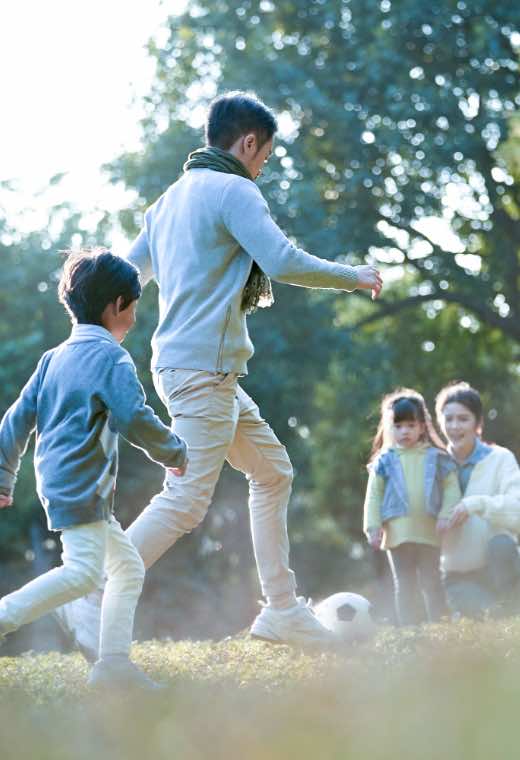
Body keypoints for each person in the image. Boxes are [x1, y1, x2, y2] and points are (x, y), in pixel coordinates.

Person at [55, 90, 383, 656]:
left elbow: (128, 275)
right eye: (265, 158)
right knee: (183, 502)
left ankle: (281, 610)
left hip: (199, 370)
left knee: (273, 473)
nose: (262, 169)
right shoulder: (235, 190)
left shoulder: (169, 201)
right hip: (201, 372)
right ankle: (89, 595)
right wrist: (353, 275)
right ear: (249, 142)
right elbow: (281, 262)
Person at [0, 250, 188, 690]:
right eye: (135, 309)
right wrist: (174, 453)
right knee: (82, 573)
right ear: (117, 306)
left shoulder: (53, 358)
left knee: (127, 567)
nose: (135, 320)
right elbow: (135, 416)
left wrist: (3, 475)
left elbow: (15, 419)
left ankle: (113, 665)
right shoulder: (110, 358)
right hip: (82, 485)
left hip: (68, 484)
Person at [363, 389, 459, 625]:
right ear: (389, 428)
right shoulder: (385, 461)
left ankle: (440, 630)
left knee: (432, 582)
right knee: (405, 585)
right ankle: (411, 634)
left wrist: (447, 515)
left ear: (422, 427)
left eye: (410, 425)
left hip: (429, 531)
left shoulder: (437, 457)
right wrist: (372, 527)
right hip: (398, 534)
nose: (404, 431)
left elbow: (451, 487)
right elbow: (373, 495)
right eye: (398, 426)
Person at [435, 382, 520, 619]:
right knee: (490, 616)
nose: (454, 426)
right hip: (458, 575)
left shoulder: (501, 459)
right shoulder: (433, 466)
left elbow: (517, 512)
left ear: (478, 424)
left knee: (501, 544)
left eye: (463, 419)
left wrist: (475, 504)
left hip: (502, 566)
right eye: (448, 418)